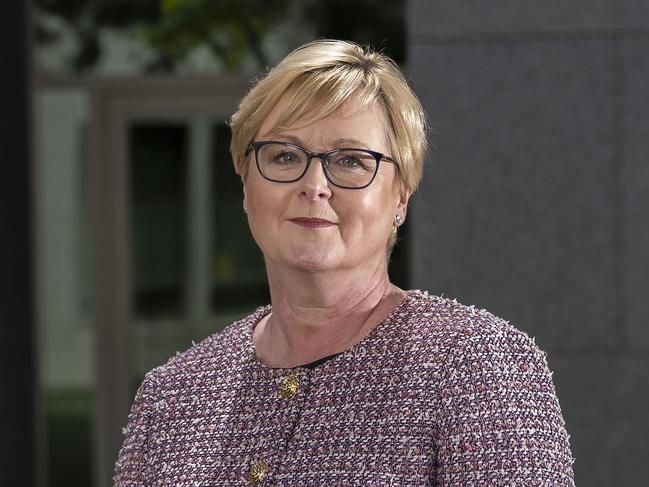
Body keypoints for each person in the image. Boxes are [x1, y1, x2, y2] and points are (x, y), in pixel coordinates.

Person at [114, 39, 575, 486]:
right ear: (245, 181)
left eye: (352, 160)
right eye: (284, 155)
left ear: (401, 196)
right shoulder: (172, 398)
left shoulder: (476, 367)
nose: (314, 185)